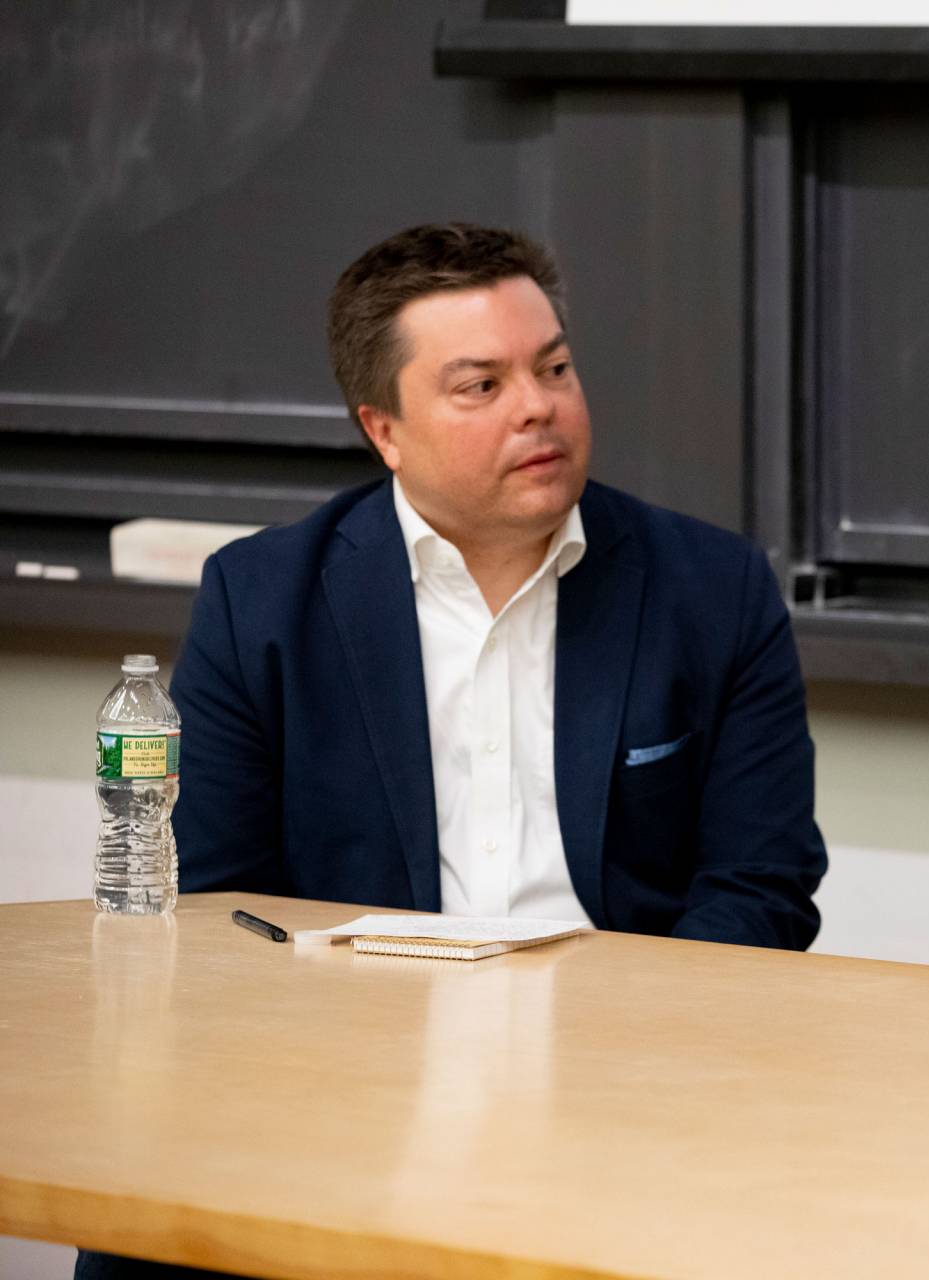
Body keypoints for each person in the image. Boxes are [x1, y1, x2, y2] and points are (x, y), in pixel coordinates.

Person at [81, 219, 831, 1280]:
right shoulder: (266, 600)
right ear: (383, 428)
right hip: (344, 1083)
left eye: (555, 367)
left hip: (627, 1080)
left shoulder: (711, 589)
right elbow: (212, 906)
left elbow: (764, 883)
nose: (539, 405)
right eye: (481, 385)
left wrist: (612, 1054)